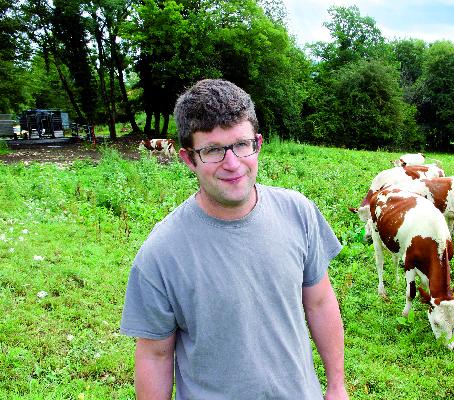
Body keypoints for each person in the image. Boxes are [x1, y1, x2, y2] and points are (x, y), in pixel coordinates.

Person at [120, 79, 349, 400]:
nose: (232, 163)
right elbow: (154, 354)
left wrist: (336, 385)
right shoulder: (161, 253)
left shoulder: (298, 212)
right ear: (188, 159)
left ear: (257, 143)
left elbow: (320, 301)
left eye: (241, 145)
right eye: (213, 150)